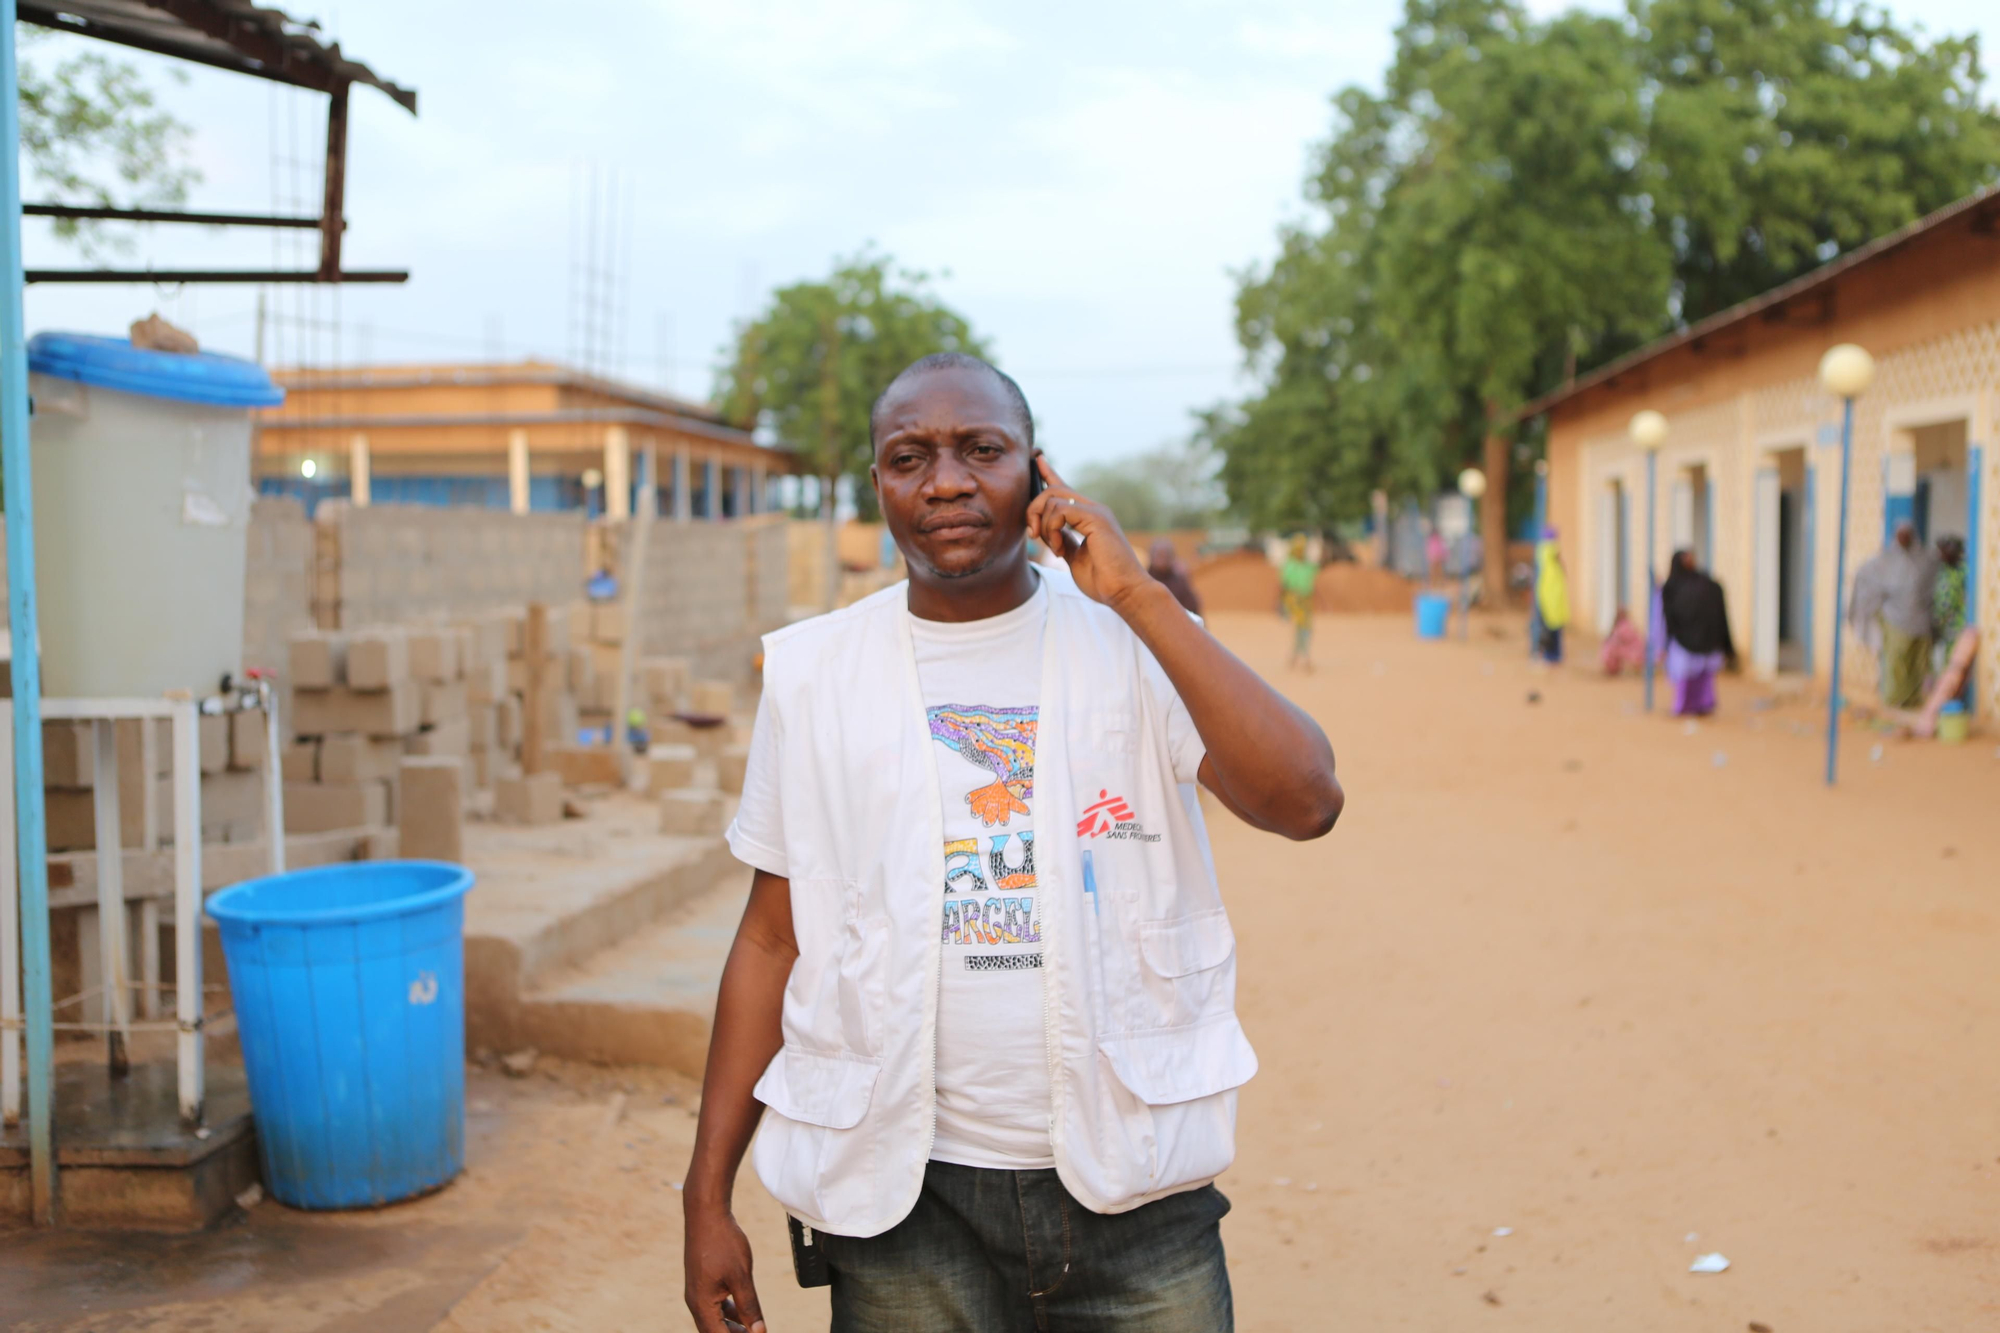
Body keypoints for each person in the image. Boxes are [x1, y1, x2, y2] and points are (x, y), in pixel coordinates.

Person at [682, 353, 1343, 1333]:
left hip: (1132, 1188)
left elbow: (1303, 799)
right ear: (878, 487)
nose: (944, 480)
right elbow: (771, 939)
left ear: (1038, 477)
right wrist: (705, 1196)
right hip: (901, 1201)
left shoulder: (1132, 642)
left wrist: (1138, 597)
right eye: (908, 456)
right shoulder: (814, 675)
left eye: (979, 450)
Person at [1847, 520, 1938, 709]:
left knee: (1918, 663)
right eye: (1900, 534)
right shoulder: (1885, 561)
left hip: (1921, 621)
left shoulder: (1925, 560)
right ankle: (1893, 700)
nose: (1903, 538)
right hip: (1896, 620)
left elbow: (1933, 586)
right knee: (1896, 662)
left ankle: (1912, 700)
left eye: (1907, 534)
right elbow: (1866, 577)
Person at [1650, 549, 1735, 716]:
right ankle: (1689, 705)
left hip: (1695, 642)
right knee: (1689, 676)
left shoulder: (1705, 586)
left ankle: (1699, 704)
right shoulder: (1675, 588)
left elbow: (1719, 614)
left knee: (1698, 676)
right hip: (1690, 642)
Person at [1280, 535, 1318, 672]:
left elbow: (1311, 584)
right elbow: (1284, 586)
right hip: (1295, 601)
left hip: (1306, 602)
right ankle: (1305, 659)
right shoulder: (1290, 565)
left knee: (1301, 629)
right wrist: (1283, 606)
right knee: (1304, 628)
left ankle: (1295, 657)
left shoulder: (1307, 565)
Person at [1534, 528, 1569, 664]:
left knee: (1549, 631)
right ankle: (1554, 655)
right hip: (1553, 601)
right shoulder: (1553, 558)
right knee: (1554, 632)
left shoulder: (1545, 556)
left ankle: (1551, 656)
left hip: (1548, 600)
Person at [1147, 537, 1202, 616]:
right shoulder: (1144, 581)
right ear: (1151, 556)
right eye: (1159, 555)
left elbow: (1193, 610)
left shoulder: (1180, 583)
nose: (1162, 559)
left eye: (1165, 555)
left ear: (1171, 557)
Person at [1599, 607, 1645, 675]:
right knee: (1610, 649)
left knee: (1610, 650)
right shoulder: (1620, 626)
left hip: (1634, 650)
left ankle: (1613, 668)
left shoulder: (1625, 626)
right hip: (1627, 649)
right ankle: (1612, 668)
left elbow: (1625, 639)